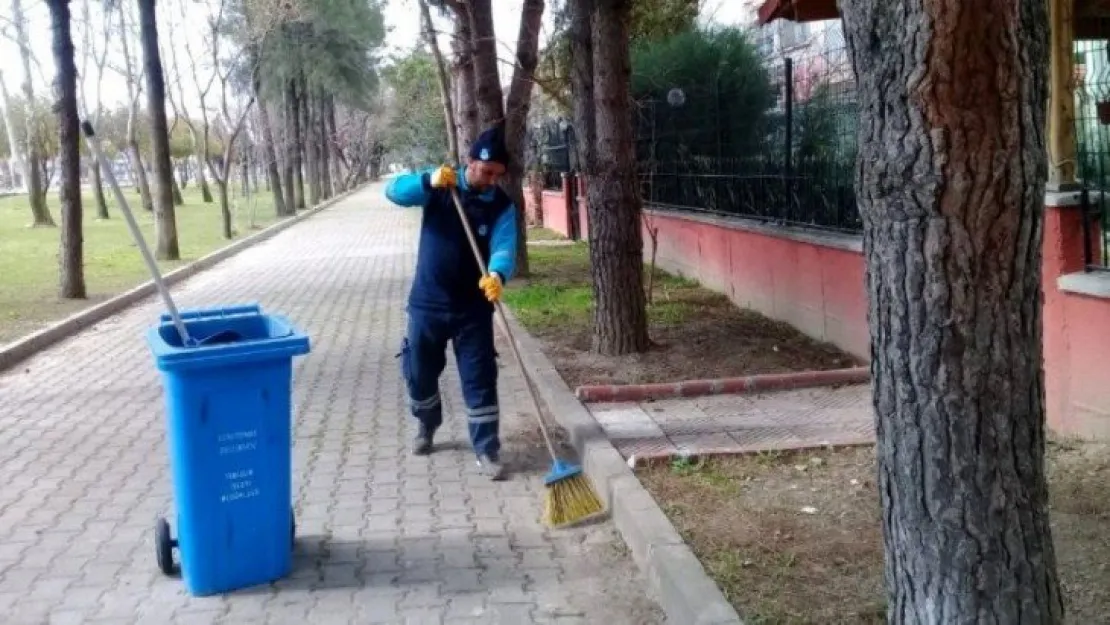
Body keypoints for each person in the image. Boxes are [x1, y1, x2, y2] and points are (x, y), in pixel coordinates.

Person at [383, 124, 518, 480]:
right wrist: (427, 180)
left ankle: (486, 448)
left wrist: (498, 274)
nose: (490, 180)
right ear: (470, 161)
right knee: (419, 373)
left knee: (480, 376)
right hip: (427, 303)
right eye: (485, 171)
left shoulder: (501, 205)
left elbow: (504, 245)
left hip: (472, 309)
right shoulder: (442, 187)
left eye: (497, 175)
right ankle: (427, 423)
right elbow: (393, 192)